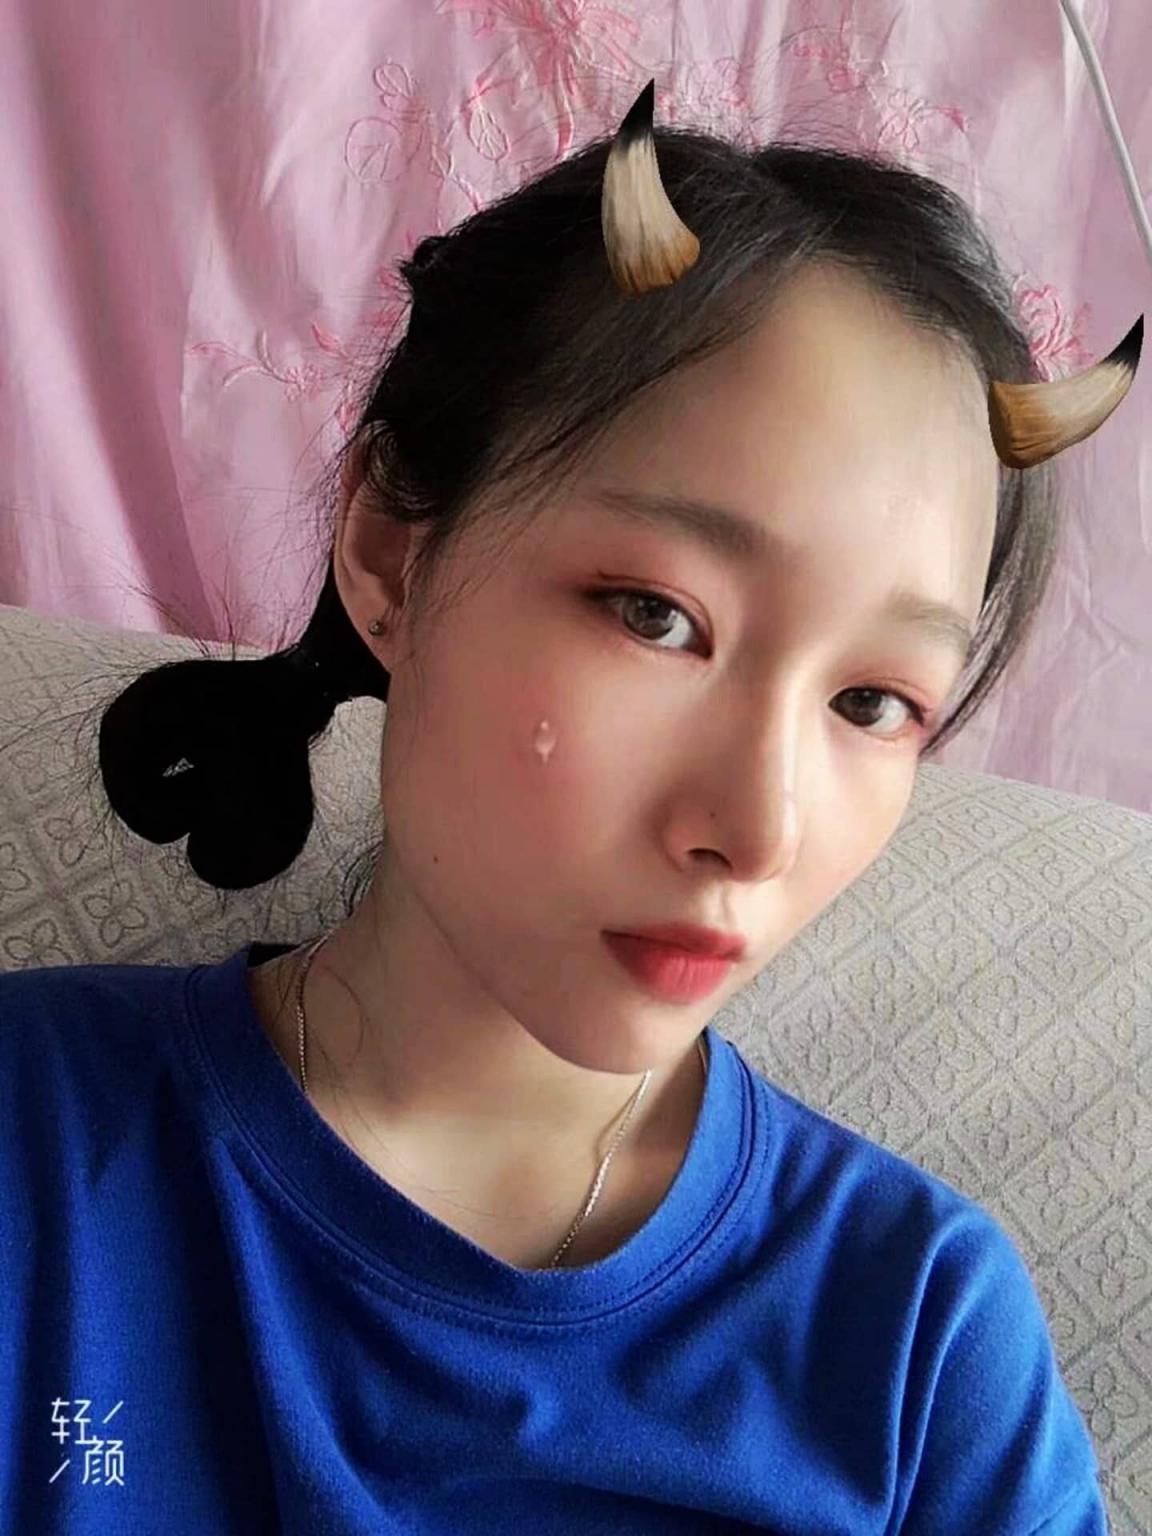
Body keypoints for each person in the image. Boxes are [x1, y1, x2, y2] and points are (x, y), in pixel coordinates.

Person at [1, 84, 1131, 1533]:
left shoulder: (920, 1343)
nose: (760, 829)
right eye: (656, 616)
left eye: (872, 703)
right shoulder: (38, 1150)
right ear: (391, 554)